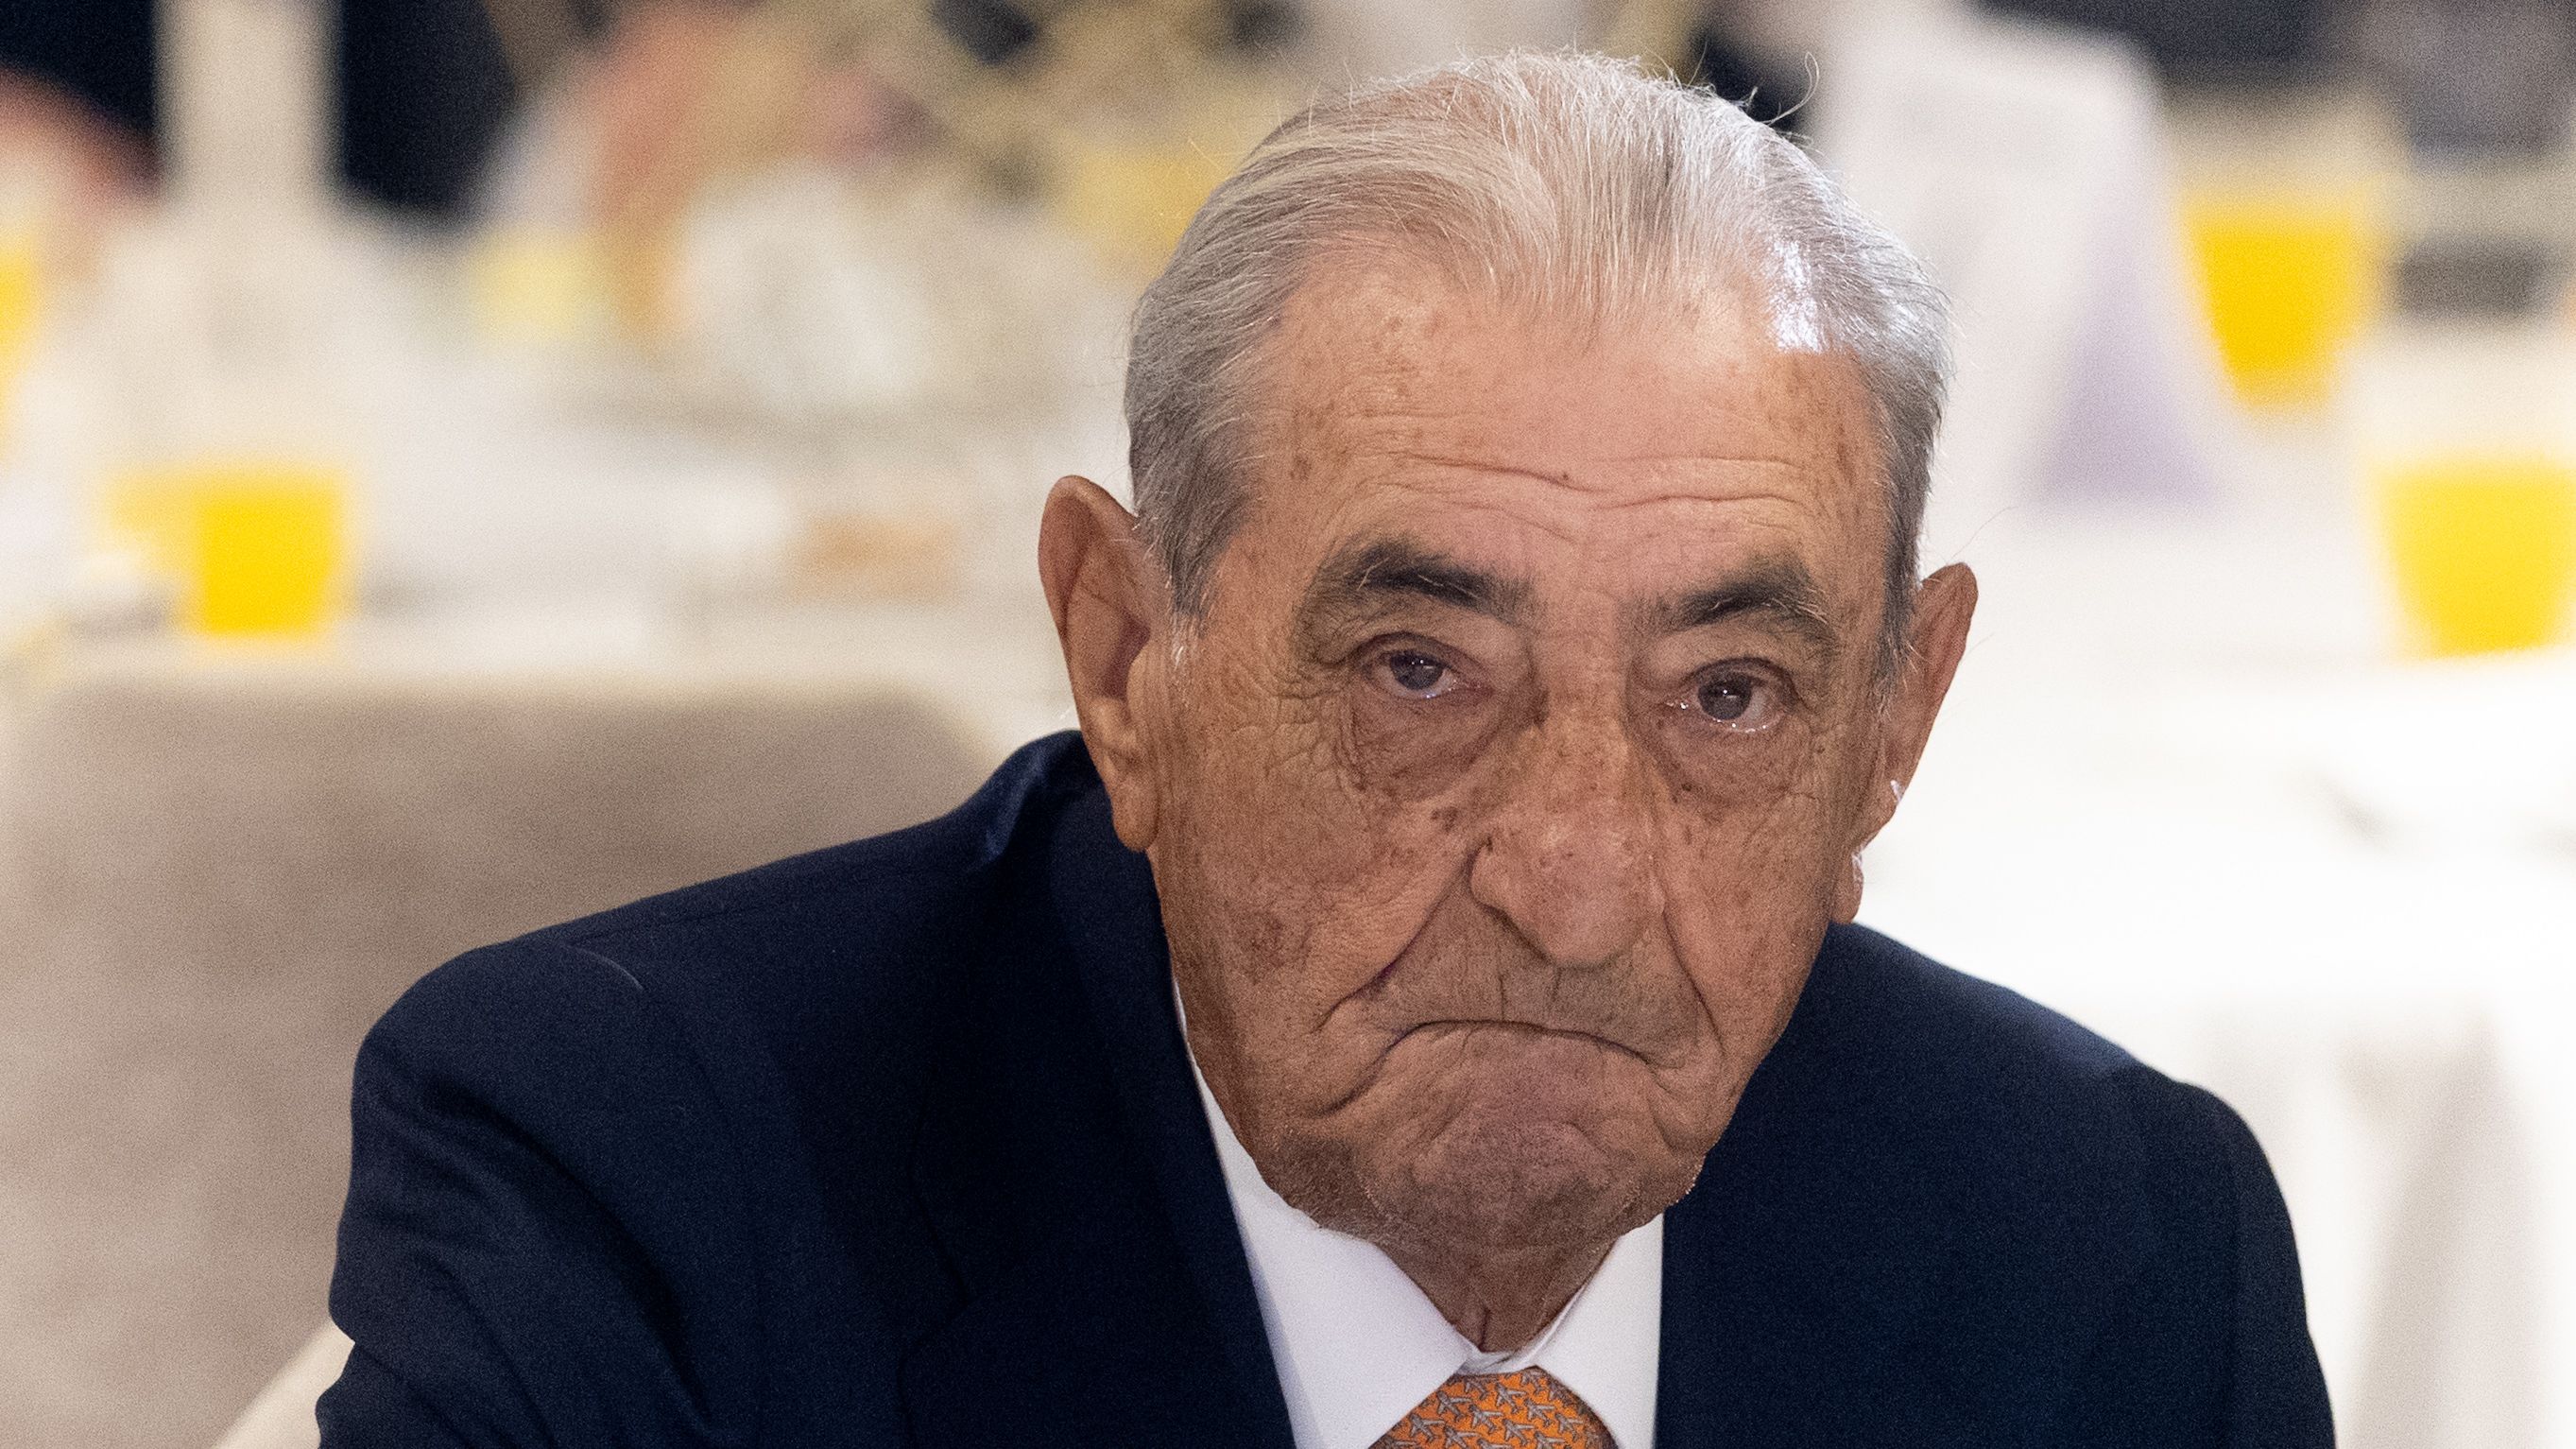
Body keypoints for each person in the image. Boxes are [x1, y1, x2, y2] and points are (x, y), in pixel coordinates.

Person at [319, 52, 2334, 1447]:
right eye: (1417, 674)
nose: (1573, 887)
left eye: (1725, 696)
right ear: (1127, 657)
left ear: (1892, 724)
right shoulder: (644, 1187)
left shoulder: (2112, 1240)